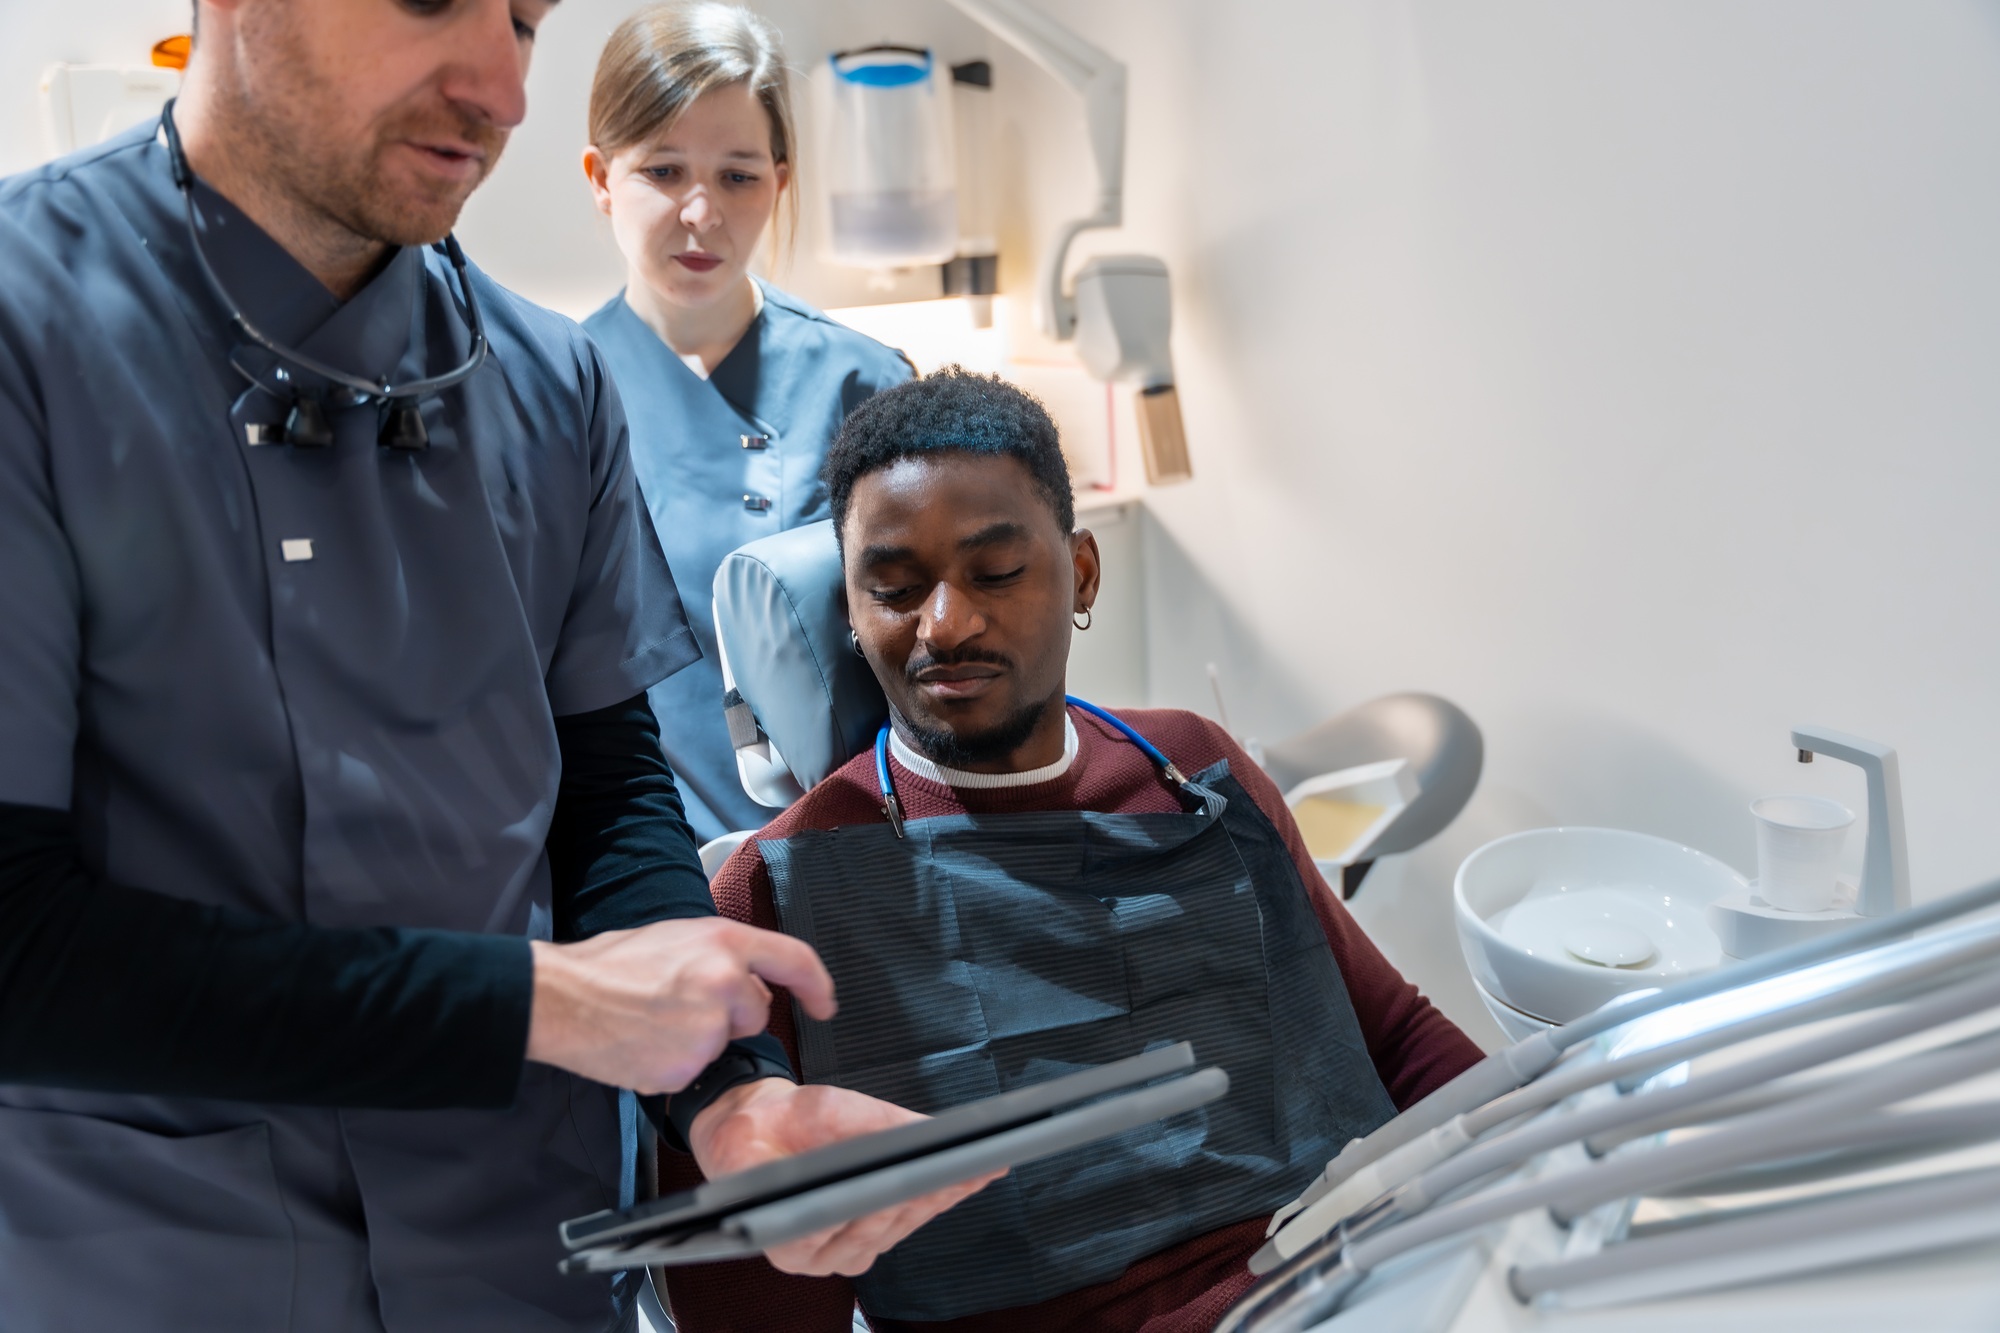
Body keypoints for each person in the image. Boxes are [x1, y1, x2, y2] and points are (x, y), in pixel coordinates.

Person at [0, 3, 984, 1329]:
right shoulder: (28, 331)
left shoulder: (546, 383)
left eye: (524, 19)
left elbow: (606, 786)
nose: (503, 90)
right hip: (157, 1266)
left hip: (528, 1257)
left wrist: (729, 1097)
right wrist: (534, 1004)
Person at [659, 368, 1486, 1332]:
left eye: (995, 573)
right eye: (893, 588)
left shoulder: (1195, 771)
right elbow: (748, 1306)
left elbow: (1396, 1037)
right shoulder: (781, 891)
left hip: (1351, 1283)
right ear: (851, 608)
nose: (945, 624)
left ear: (1082, 572)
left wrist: (1540, 1166)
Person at [581, 3, 914, 843]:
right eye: (663, 170)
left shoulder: (863, 383)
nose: (701, 213)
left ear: (781, 180)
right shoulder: (559, 392)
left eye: (737, 176)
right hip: (643, 858)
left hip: (858, 843)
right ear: (600, 178)